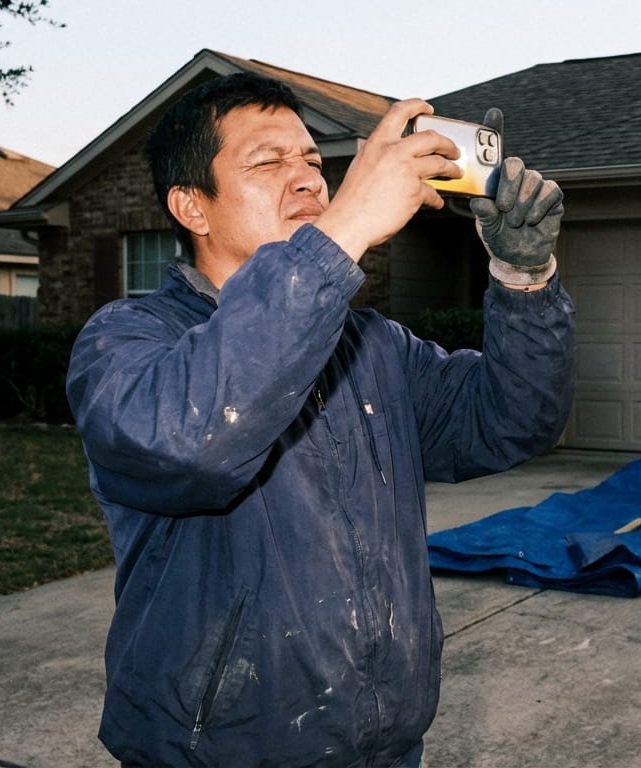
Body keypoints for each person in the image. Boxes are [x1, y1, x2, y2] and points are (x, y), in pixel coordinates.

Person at [65, 71, 574, 767]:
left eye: (311, 161)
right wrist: (344, 233)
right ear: (192, 207)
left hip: (383, 746)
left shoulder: (371, 347)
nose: (308, 179)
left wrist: (525, 279)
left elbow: (514, 418)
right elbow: (186, 445)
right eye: (268, 163)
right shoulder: (127, 342)